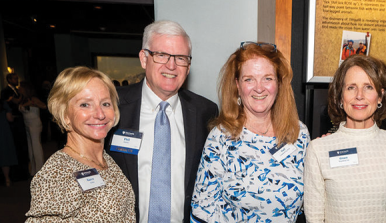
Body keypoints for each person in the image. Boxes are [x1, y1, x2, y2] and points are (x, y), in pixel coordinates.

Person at [105, 20, 218, 223]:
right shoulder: (112, 106)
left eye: (181, 58)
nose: (171, 65)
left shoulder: (205, 112)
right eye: (162, 55)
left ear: (189, 65)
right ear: (144, 58)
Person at [190, 41, 309, 222]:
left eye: (267, 78)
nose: (259, 87)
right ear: (237, 85)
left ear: (278, 83)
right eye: (249, 79)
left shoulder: (298, 134)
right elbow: (202, 211)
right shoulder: (220, 138)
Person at [304, 54, 386, 223]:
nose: (359, 95)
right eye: (351, 87)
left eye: (368, 87)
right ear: (340, 96)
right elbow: (314, 218)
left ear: (380, 96)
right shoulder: (318, 149)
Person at [25, 66, 135, 221]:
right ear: (65, 114)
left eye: (105, 103)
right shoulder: (57, 174)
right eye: (85, 104)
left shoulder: (105, 159)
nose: (100, 114)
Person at [0, 72, 30, 180]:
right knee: (16, 144)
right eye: (14, 79)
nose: (16, 80)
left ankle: (24, 170)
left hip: (19, 119)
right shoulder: (5, 91)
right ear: (9, 80)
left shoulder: (17, 91)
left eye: (17, 78)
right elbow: (8, 104)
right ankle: (16, 172)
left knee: (23, 144)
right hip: (12, 120)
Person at [18, 81, 47, 176]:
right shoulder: (22, 98)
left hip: (35, 124)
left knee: (36, 147)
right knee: (30, 148)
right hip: (27, 124)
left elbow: (44, 106)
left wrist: (32, 103)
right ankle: (33, 169)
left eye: (21, 87)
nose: (19, 88)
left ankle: (40, 169)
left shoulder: (33, 98)